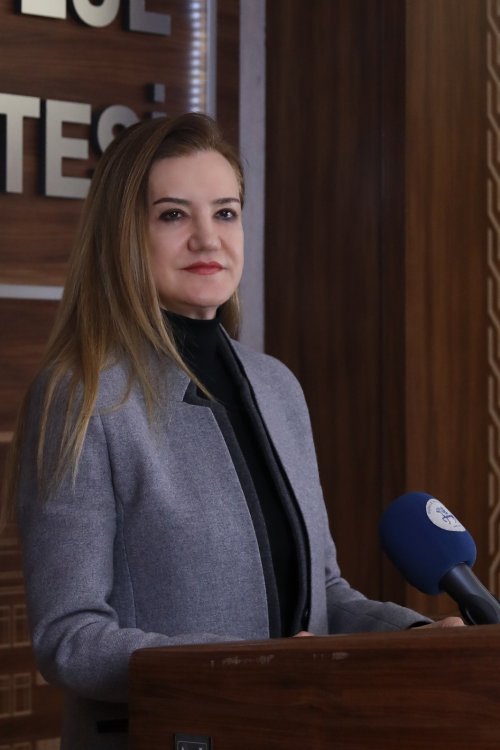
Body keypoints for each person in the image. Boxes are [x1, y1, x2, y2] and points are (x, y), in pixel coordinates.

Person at [1, 112, 463, 750]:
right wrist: (257, 669)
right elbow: (71, 639)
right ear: (121, 235)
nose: (207, 239)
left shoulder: (278, 387)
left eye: (225, 213)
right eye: (173, 215)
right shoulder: (82, 395)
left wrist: (416, 640)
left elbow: (324, 596)